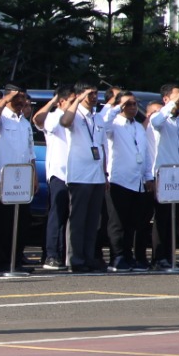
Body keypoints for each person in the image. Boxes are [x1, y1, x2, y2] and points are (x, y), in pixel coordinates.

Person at [53, 83, 108, 273]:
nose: (94, 96)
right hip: (79, 175)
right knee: (77, 219)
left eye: (95, 92)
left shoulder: (98, 117)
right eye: (89, 93)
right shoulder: (74, 113)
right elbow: (65, 122)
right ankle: (75, 259)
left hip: (97, 174)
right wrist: (76, 100)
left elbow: (101, 146)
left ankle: (88, 256)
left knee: (93, 220)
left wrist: (105, 172)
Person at [0, 86, 35, 274]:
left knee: (20, 223)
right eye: (17, 97)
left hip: (21, 179)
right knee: (0, 224)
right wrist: (5, 100)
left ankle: (16, 260)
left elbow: (30, 153)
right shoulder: (1, 116)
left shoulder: (24, 123)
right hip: (0, 178)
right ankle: (1, 262)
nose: (21, 101)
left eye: (23, 98)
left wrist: (33, 177)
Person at [104, 91, 154, 272]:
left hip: (137, 181)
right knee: (117, 222)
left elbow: (146, 154)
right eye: (128, 104)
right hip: (119, 180)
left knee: (132, 223)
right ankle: (116, 258)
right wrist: (118, 105)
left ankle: (127, 255)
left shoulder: (139, 127)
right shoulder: (113, 125)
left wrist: (149, 176)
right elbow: (103, 121)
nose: (132, 107)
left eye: (134, 104)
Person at [148, 84, 179, 269]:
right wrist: (169, 106)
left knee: (175, 217)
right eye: (177, 98)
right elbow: (156, 122)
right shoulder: (160, 118)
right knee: (163, 217)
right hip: (164, 173)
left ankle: (170, 255)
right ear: (166, 99)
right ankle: (159, 258)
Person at [33, 86, 73, 270]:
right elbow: (40, 120)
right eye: (72, 101)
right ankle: (51, 255)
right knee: (56, 216)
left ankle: (67, 255)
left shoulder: (77, 118)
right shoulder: (53, 117)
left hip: (77, 174)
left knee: (71, 217)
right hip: (59, 173)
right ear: (62, 101)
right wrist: (54, 104)